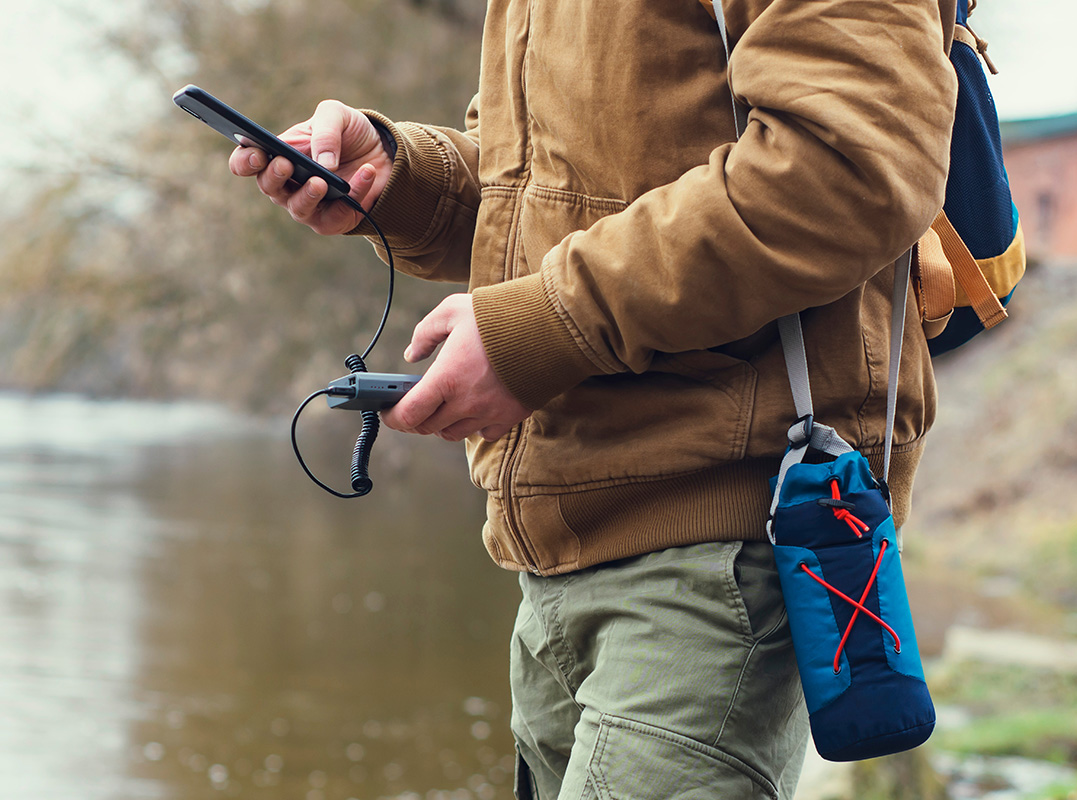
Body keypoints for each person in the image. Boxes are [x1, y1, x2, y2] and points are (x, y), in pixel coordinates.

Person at [229, 0, 958, 796]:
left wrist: (542, 328)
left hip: (722, 553)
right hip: (558, 556)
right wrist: (399, 181)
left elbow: (846, 172)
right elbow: (548, 202)